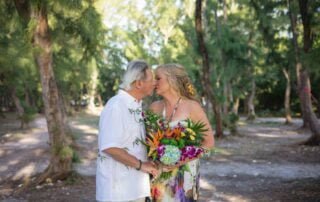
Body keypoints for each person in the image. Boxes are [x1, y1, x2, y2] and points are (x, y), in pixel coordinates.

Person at [149, 63, 214, 201]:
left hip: (184, 177)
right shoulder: (154, 108)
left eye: (158, 78)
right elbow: (147, 141)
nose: (154, 82)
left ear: (172, 79)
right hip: (157, 174)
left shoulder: (192, 107)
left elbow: (208, 143)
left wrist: (180, 159)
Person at [96, 60, 159, 202]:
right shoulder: (117, 106)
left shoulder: (135, 106)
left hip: (134, 189)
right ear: (138, 83)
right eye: (151, 79)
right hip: (118, 193)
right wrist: (142, 165)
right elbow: (110, 147)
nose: (155, 83)